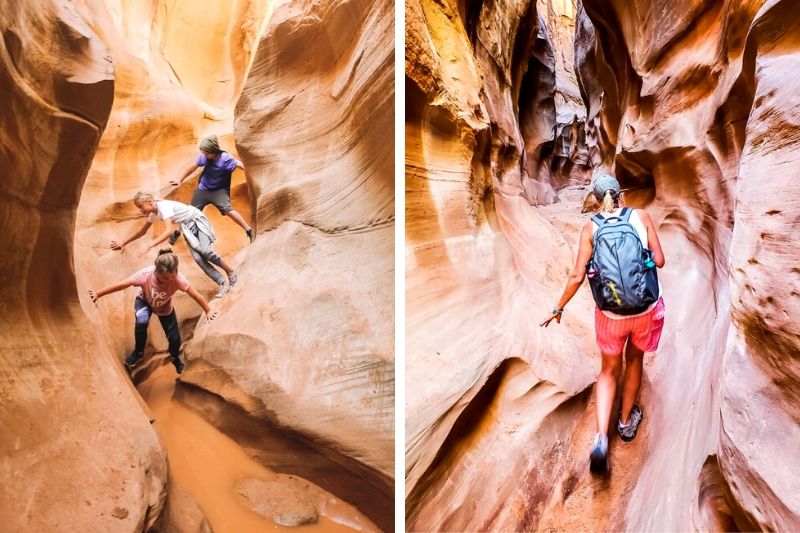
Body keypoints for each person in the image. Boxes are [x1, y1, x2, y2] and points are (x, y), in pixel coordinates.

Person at [540, 174, 666, 474]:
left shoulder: (590, 228)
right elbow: (659, 261)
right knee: (634, 360)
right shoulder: (641, 216)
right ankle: (625, 423)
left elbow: (577, 276)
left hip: (610, 316)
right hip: (646, 309)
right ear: (620, 195)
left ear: (597, 200)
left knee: (609, 371)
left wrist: (558, 308)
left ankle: (600, 439)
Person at [88, 248, 219, 373]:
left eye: (172, 276)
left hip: (164, 308)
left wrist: (208, 310)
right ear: (157, 272)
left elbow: (195, 294)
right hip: (144, 301)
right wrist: (98, 294)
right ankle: (138, 352)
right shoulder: (145, 275)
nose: (170, 280)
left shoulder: (178, 278)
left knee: (174, 338)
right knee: (142, 322)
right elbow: (122, 284)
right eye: (166, 278)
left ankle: (174, 357)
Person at [110, 192, 238, 298]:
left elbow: (168, 231)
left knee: (206, 251)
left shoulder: (162, 206)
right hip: (187, 228)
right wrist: (123, 242)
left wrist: (150, 246)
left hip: (196, 220)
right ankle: (222, 283)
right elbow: (142, 232)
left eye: (141, 206)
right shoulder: (153, 214)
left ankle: (230, 272)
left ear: (149, 202)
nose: (140, 210)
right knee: (199, 259)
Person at [169, 134, 254, 243]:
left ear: (213, 150)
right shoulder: (204, 157)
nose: (204, 154)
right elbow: (191, 168)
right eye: (203, 151)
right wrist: (179, 180)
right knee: (190, 212)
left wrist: (251, 172)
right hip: (203, 189)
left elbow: (240, 165)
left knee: (227, 209)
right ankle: (177, 232)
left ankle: (248, 230)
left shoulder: (225, 158)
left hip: (219, 191)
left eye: (206, 151)